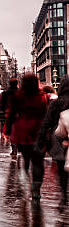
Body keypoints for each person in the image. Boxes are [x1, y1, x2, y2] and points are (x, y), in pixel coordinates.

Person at [4, 73, 48, 203]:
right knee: (38, 161)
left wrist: (6, 131)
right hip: (38, 130)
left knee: (26, 156)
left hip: (22, 130)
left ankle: (24, 174)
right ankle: (36, 190)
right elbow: (46, 114)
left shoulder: (18, 96)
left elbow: (11, 115)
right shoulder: (42, 97)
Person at [38, 76, 69, 208]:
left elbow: (46, 122)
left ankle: (64, 196)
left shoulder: (56, 103)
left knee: (62, 168)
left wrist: (40, 141)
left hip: (60, 139)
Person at [0, 78, 18, 153]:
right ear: (17, 84)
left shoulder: (5, 93)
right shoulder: (20, 93)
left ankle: (12, 146)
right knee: (16, 131)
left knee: (7, 129)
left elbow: (0, 103)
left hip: (7, 114)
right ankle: (15, 147)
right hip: (17, 115)